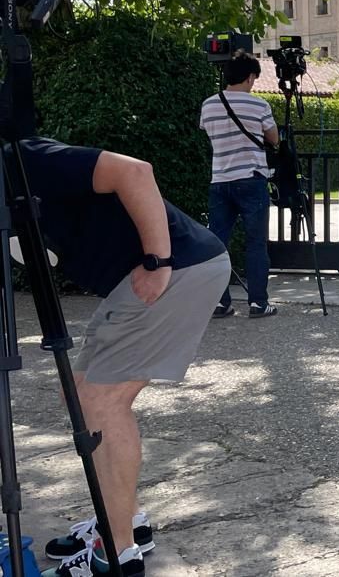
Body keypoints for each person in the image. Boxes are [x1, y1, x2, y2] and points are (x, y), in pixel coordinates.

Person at [17, 137, 231, 576]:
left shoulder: (20, 158)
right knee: (79, 397)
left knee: (101, 402)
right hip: (137, 283)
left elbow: (134, 171)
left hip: (175, 270)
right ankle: (124, 520)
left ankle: (116, 553)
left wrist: (157, 260)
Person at [199, 52, 279, 319]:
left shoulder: (208, 105)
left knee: (217, 243)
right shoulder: (259, 106)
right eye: (254, 78)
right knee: (256, 244)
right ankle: (258, 303)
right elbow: (274, 139)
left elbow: (210, 134)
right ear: (249, 76)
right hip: (251, 179)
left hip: (220, 180)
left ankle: (220, 303)